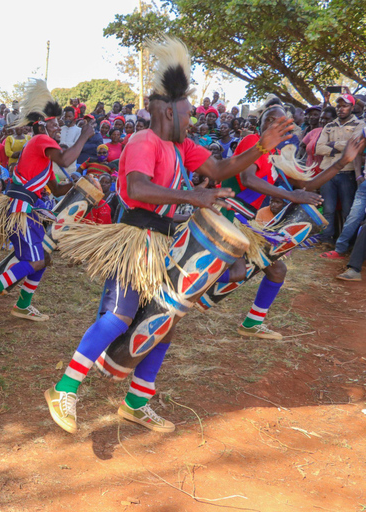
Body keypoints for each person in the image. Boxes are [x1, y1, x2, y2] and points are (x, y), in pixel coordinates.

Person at [45, 37, 295, 435]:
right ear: (166, 111)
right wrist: (193, 197)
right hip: (135, 238)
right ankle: (65, 389)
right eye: (187, 113)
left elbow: (221, 168)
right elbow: (138, 188)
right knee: (119, 316)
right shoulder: (142, 141)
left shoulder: (183, 146)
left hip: (165, 243)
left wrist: (261, 148)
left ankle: (136, 403)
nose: (192, 120)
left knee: (165, 322)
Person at [221, 96, 364, 340]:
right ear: (260, 125)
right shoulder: (252, 141)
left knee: (277, 270)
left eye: (281, 122)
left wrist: (343, 161)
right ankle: (181, 284)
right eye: (269, 120)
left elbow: (307, 186)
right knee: (235, 272)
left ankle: (252, 323)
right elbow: (247, 179)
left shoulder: (278, 154)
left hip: (244, 220)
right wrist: (290, 195)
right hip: (226, 214)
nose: (274, 125)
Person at [0, 79, 97, 323]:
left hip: (28, 211)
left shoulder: (43, 157)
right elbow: (66, 159)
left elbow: (57, 189)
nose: (59, 128)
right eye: (55, 124)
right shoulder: (40, 140)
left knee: (43, 259)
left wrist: (79, 184)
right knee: (36, 260)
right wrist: (84, 136)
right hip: (22, 211)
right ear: (41, 126)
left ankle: (23, 306)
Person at [315, 94, 366, 247]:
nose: (341, 109)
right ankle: (327, 239)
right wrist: (341, 147)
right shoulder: (329, 125)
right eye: (338, 106)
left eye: (345, 106)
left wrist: (332, 144)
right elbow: (318, 148)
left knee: (348, 210)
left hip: (348, 172)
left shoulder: (359, 124)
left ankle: (348, 243)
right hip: (327, 172)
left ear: (352, 107)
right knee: (328, 209)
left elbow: (355, 145)